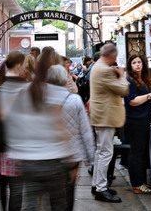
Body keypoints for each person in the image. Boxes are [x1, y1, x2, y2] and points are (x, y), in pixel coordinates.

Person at [0, 51, 74, 210]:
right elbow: (60, 127)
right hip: (53, 161)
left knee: (30, 203)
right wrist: (70, 156)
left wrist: (15, 150)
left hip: (27, 161)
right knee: (57, 204)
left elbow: (12, 124)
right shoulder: (54, 93)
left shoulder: (22, 92)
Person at [46, 65, 94, 211]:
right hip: (72, 155)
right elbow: (85, 131)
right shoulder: (75, 100)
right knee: (69, 189)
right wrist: (90, 158)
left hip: (49, 153)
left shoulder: (42, 100)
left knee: (52, 191)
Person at [0, 51, 27, 211]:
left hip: (0, 145)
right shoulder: (22, 87)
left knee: (3, 185)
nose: (25, 68)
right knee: (16, 189)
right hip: (15, 145)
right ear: (17, 65)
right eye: (23, 65)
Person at [88, 43, 129, 203]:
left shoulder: (98, 66)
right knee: (106, 153)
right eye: (115, 56)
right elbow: (123, 90)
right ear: (111, 56)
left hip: (101, 115)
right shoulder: (105, 70)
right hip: (105, 116)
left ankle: (96, 184)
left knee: (100, 152)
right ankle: (101, 189)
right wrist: (121, 75)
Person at [124, 54, 151, 194]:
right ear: (130, 65)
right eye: (134, 62)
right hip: (135, 121)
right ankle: (137, 184)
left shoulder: (144, 79)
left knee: (142, 152)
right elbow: (132, 101)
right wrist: (149, 96)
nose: (137, 64)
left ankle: (142, 181)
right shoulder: (129, 81)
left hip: (145, 119)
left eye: (139, 62)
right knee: (136, 152)